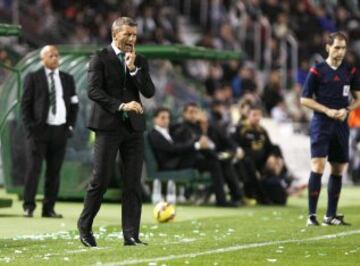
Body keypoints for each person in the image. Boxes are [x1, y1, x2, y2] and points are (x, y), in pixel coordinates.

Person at [77, 17, 155, 247]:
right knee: (100, 180)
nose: (132, 39)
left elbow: (149, 91)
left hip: (134, 128)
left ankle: (131, 234)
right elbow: (93, 90)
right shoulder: (99, 57)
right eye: (127, 34)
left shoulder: (139, 60)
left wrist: (133, 70)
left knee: (132, 183)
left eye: (134, 35)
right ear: (115, 34)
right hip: (107, 127)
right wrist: (120, 106)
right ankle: (85, 227)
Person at [301, 32, 360, 226]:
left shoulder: (350, 71)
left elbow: (358, 98)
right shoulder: (317, 70)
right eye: (337, 47)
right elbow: (304, 99)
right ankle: (311, 215)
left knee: (338, 168)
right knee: (318, 164)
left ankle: (330, 215)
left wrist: (347, 110)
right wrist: (326, 110)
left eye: (343, 48)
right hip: (321, 123)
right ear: (328, 47)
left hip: (341, 124)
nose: (340, 51)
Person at [21, 45, 79, 218]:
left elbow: (75, 104)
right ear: (43, 59)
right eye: (51, 55)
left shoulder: (68, 78)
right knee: (34, 170)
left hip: (60, 131)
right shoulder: (33, 77)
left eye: (56, 55)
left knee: (54, 172)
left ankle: (48, 209)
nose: (55, 58)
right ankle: (29, 206)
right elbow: (25, 105)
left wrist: (70, 125)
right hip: (39, 131)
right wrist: (30, 127)